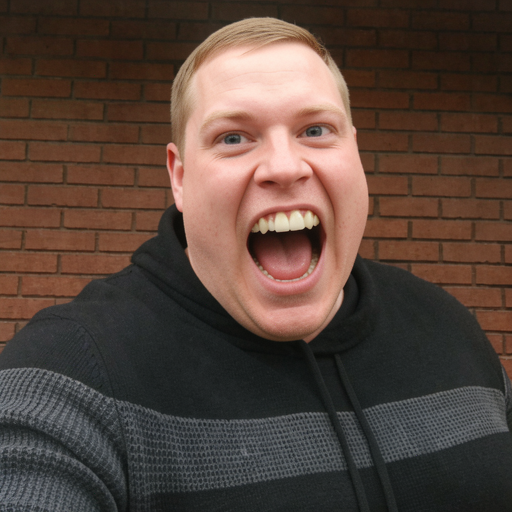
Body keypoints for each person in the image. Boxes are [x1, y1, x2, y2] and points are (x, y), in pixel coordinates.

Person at [0, 18, 511, 512]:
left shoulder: (450, 327)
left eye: (316, 129)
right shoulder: (66, 373)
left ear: (355, 152)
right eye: (233, 138)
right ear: (180, 177)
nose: (284, 167)